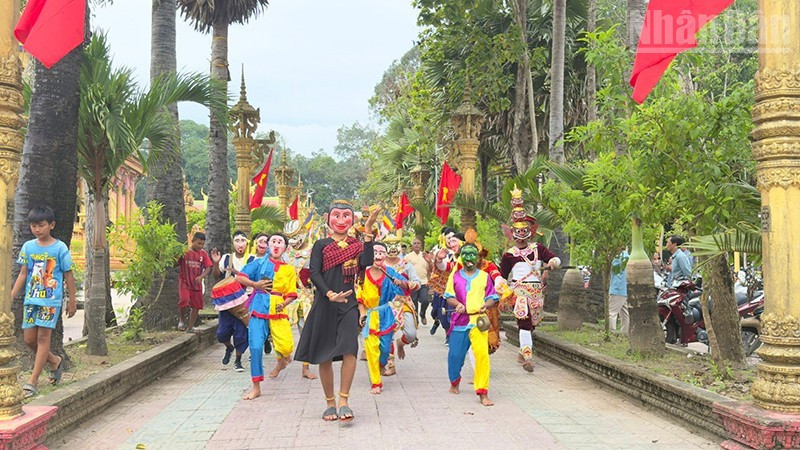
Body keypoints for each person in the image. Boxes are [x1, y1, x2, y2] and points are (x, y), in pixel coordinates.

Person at [295, 201, 379, 422]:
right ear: (327, 217)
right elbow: (314, 273)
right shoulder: (321, 245)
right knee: (325, 354)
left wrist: (368, 231)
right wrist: (330, 294)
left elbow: (367, 262)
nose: (341, 221)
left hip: (349, 304)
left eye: (346, 216)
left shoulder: (357, 244)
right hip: (325, 304)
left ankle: (344, 400)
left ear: (352, 220)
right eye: (336, 215)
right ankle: (330, 403)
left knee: (350, 348)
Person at [11, 206, 77, 398]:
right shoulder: (28, 247)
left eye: (41, 225)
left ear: (51, 225)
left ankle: (32, 381)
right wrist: (10, 297)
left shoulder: (60, 248)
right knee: (29, 339)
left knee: (43, 338)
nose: (37, 229)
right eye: (33, 226)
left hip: (50, 300)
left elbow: (69, 275)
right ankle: (55, 361)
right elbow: (23, 274)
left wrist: (71, 301)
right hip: (31, 300)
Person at [500, 186, 560, 373]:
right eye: (518, 231)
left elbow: (554, 258)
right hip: (519, 292)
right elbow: (502, 276)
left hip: (536, 292)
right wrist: (501, 292)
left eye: (524, 230)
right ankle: (528, 357)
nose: (521, 235)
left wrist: (552, 262)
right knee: (524, 322)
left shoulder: (537, 249)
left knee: (532, 323)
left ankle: (522, 351)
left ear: (530, 231)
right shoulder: (509, 255)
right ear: (512, 233)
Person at [444, 243, 498, 406]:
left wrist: (486, 305)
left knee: (482, 356)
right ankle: (454, 381)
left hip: (478, 321)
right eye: (465, 254)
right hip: (460, 321)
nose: (469, 258)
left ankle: (482, 392)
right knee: (455, 356)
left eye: (472, 254)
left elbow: (492, 296)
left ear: (478, 257)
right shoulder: (454, 276)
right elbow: (449, 296)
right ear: (461, 256)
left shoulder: (484, 276)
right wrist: (456, 304)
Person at [356, 241, 408, 394]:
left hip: (386, 315)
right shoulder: (362, 275)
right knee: (371, 349)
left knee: (384, 350)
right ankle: (376, 383)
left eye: (381, 252)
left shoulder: (391, 272)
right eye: (374, 252)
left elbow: (405, 287)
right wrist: (362, 314)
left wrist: (402, 283)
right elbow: (359, 298)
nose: (378, 255)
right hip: (370, 315)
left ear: (385, 255)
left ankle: (382, 364)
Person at [210, 231, 255, 371]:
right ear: (233, 242)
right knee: (221, 333)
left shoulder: (252, 259)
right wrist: (216, 264)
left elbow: (254, 277)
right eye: (237, 240)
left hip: (244, 300)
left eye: (242, 240)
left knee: (241, 333)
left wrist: (236, 272)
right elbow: (217, 277)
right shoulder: (226, 258)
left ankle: (238, 360)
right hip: (227, 301)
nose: (240, 243)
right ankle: (229, 348)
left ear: (247, 242)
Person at [382, 236, 420, 375]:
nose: (392, 248)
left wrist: (403, 283)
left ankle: (401, 344)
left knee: (410, 334)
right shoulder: (379, 265)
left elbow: (417, 283)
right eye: (389, 245)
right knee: (387, 334)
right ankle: (390, 365)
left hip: (403, 302)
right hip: (385, 304)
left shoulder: (406, 264)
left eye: (395, 245)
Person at [285, 233, 317, 380]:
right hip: (287, 298)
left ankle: (305, 367)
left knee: (306, 333)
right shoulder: (285, 254)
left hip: (306, 298)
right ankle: (282, 358)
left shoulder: (313, 252)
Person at [429, 228, 463, 340]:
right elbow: (444, 267)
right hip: (447, 290)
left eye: (454, 241)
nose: (451, 243)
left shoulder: (476, 259)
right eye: (449, 239)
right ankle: (450, 335)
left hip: (470, 295)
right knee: (443, 314)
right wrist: (438, 259)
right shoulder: (443, 252)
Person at [177, 232, 213, 333]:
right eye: (198, 243)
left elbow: (208, 267)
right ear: (192, 241)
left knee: (197, 305)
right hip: (184, 281)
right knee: (184, 300)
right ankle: (182, 319)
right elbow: (175, 263)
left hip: (196, 283)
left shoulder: (203, 254)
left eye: (202, 244)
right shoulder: (184, 252)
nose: (200, 246)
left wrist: (201, 276)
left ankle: (190, 326)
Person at [405, 237, 432, 325]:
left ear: (421, 246)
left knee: (425, 300)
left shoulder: (425, 255)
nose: (416, 245)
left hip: (424, 282)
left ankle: (422, 314)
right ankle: (415, 318)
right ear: (412, 246)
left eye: (418, 243)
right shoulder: (408, 257)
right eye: (415, 243)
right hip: (412, 283)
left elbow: (430, 269)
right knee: (414, 302)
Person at [608, 249, 630, 333]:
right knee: (625, 314)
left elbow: (613, 269)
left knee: (612, 313)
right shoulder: (627, 256)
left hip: (617, 287)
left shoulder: (619, 258)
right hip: (624, 288)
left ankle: (611, 332)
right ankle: (624, 332)